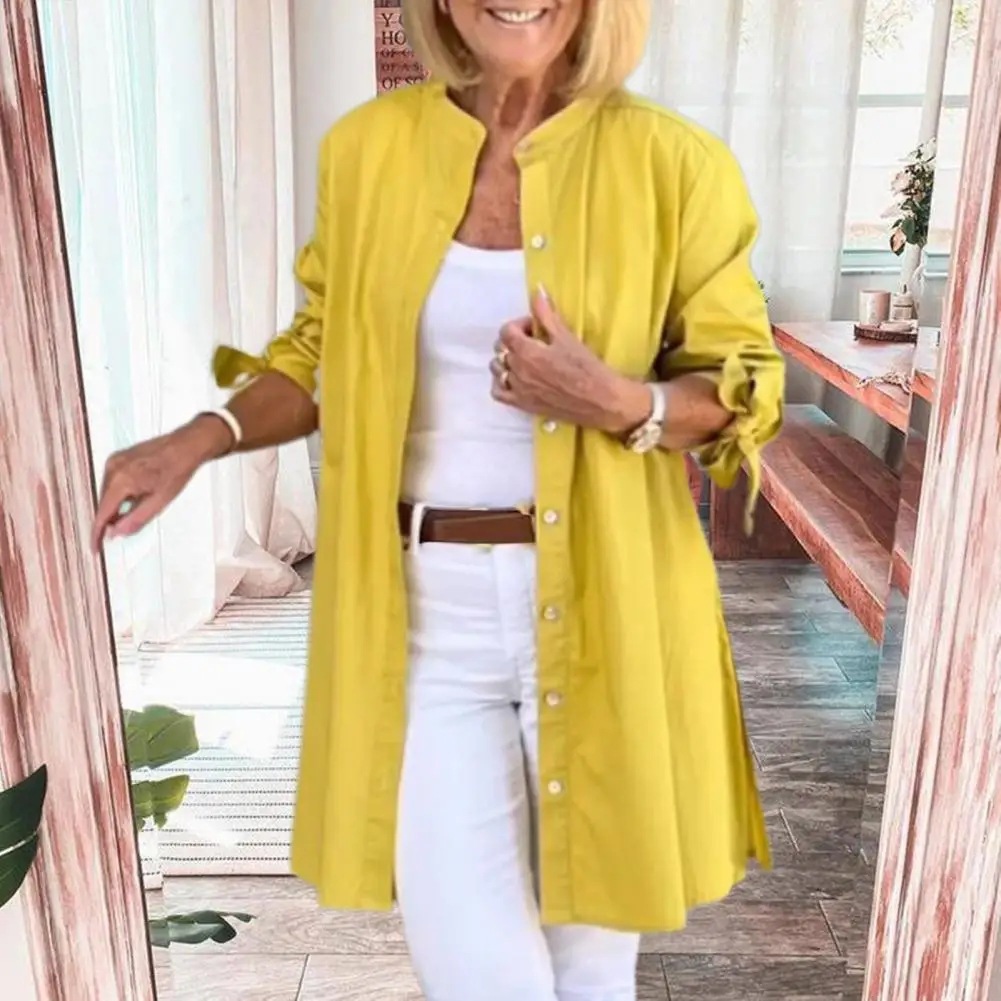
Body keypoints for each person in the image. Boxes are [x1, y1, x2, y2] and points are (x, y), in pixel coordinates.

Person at [92, 1, 785, 998]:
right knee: (477, 967)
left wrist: (615, 400)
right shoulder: (367, 151)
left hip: (613, 604)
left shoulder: (675, 163)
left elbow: (740, 383)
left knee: (592, 968)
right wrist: (203, 436)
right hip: (424, 618)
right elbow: (319, 351)